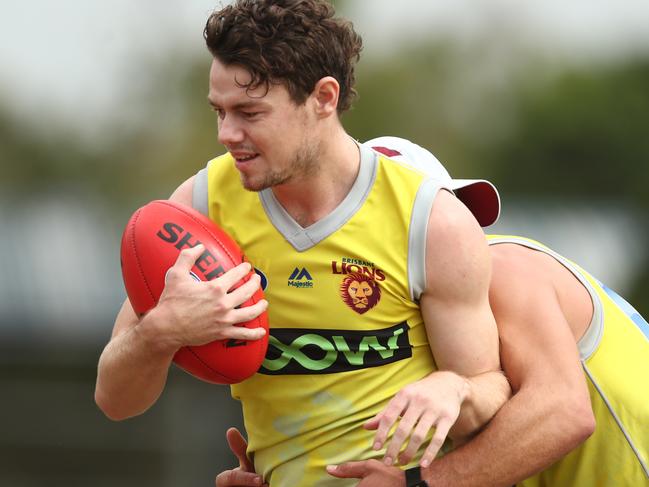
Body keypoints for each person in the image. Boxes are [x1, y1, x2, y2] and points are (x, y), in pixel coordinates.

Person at [95, 2, 511, 486]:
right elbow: (115, 400)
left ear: (323, 98)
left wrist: (455, 388)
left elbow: (492, 390)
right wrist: (161, 331)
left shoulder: (430, 220)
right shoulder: (200, 207)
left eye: (250, 112)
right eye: (220, 112)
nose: (227, 134)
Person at [325, 137, 649, 486]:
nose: (464, 229)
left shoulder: (503, 268)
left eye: (454, 212)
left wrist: (419, 483)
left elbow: (565, 412)